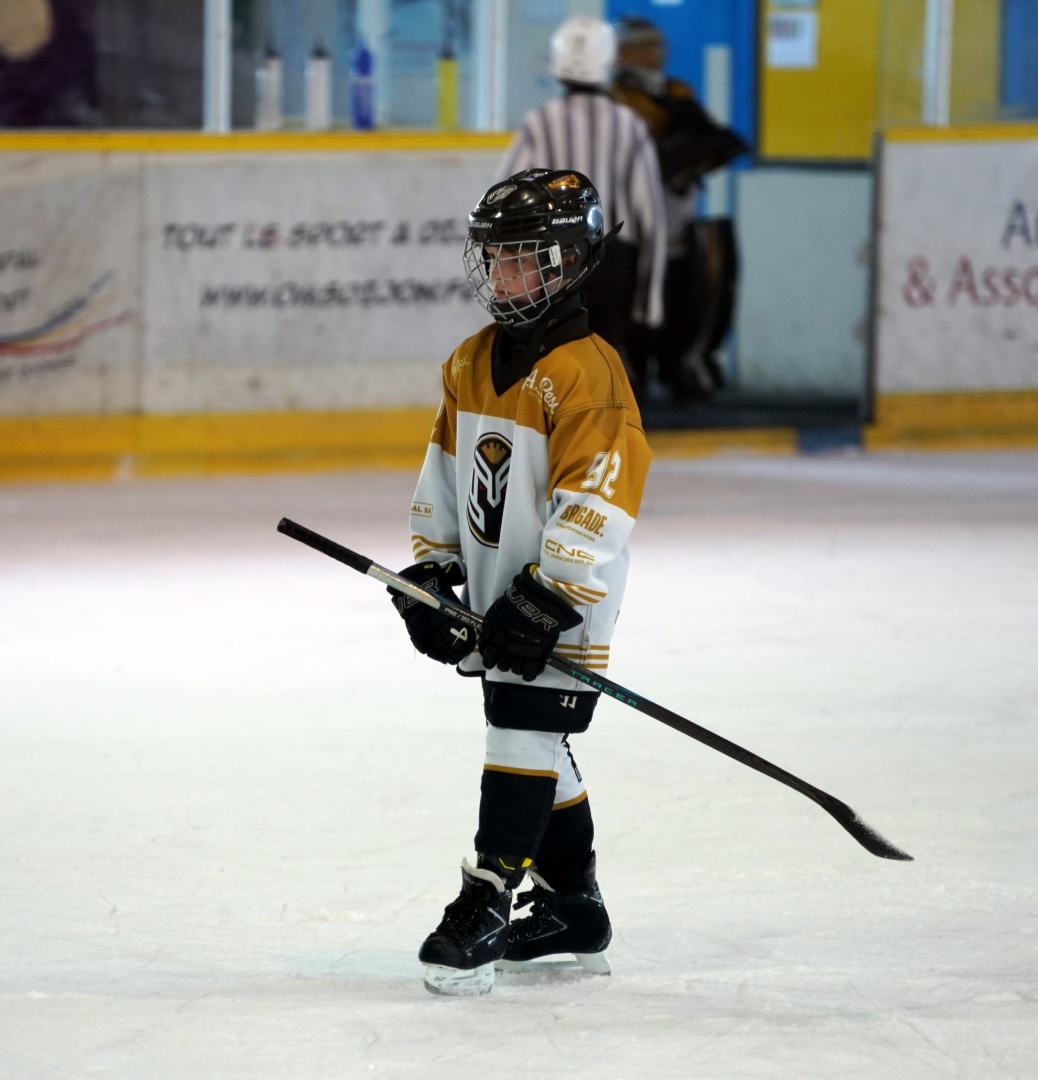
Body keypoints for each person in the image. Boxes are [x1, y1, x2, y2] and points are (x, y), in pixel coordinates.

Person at [388, 168, 653, 996]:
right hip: (496, 588)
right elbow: (443, 471)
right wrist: (435, 569)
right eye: (494, 259)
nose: (500, 275)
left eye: (521, 260)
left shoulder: (590, 373)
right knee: (536, 740)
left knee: (521, 732)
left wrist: (549, 594)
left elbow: (600, 496)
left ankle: (487, 896)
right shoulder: (470, 361)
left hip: (563, 603)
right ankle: (575, 909)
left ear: (568, 263)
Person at [496, 16, 667, 397]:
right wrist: (649, 304)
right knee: (605, 365)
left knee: (553, 362)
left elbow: (506, 198)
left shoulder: (540, 123)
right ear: (608, 61)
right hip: (613, 262)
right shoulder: (629, 125)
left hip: (552, 263)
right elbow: (650, 218)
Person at [611, 15, 750, 402]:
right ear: (623, 53)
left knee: (689, 285)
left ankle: (681, 363)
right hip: (632, 214)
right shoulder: (614, 98)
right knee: (633, 293)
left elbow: (717, 139)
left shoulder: (677, 91)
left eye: (657, 44)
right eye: (645, 45)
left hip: (678, 206)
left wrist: (689, 156)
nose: (656, 52)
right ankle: (633, 368)